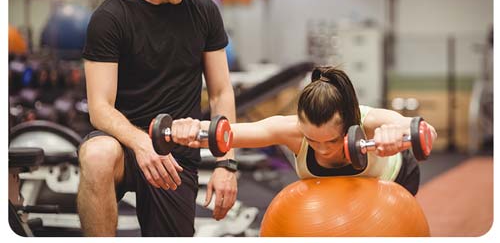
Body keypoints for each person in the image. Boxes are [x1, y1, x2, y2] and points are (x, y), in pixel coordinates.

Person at [77, 0, 237, 237]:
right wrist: (140, 143)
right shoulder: (111, 18)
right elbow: (100, 108)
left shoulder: (205, 13)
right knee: (96, 155)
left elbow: (220, 92)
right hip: (124, 144)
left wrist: (226, 164)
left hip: (174, 154)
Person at [170, 66, 437, 196]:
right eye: (312, 140)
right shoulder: (290, 131)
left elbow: (426, 131)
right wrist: (187, 128)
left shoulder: (369, 121)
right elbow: (229, 132)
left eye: (331, 141)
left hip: (395, 183)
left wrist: (394, 135)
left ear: (350, 124)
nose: (321, 149)